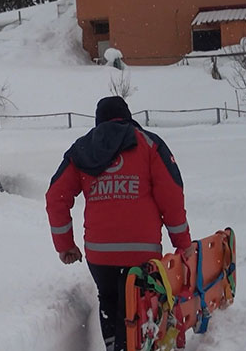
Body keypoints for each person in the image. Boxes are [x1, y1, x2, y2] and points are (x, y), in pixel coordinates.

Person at [45, 96, 193, 351]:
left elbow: (56, 197)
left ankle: (115, 345)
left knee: (110, 299)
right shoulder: (149, 145)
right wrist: (183, 244)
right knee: (142, 304)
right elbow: (171, 196)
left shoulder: (82, 150)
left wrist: (65, 245)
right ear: (127, 116)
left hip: (100, 255)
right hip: (141, 253)